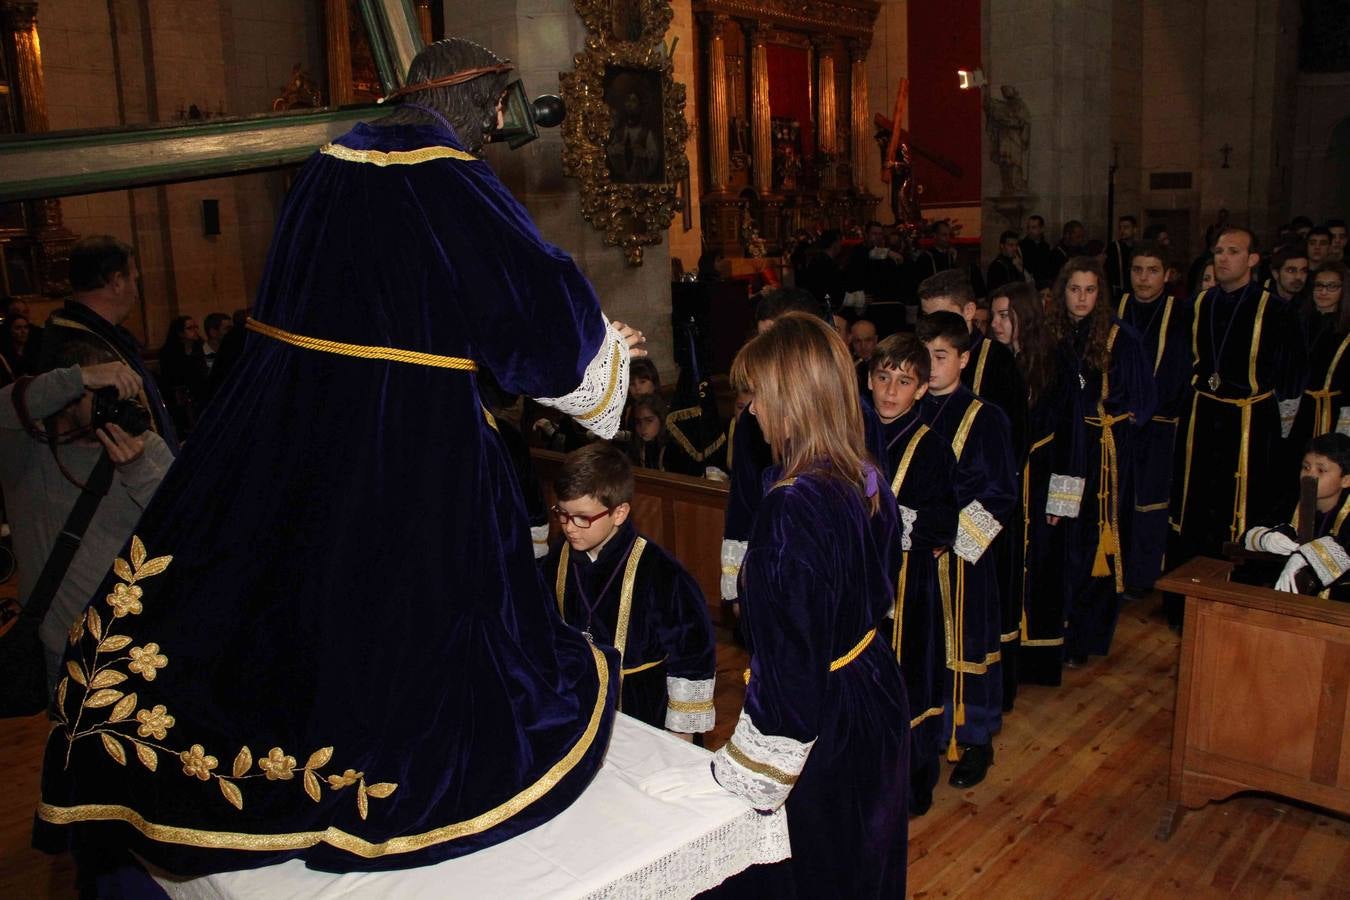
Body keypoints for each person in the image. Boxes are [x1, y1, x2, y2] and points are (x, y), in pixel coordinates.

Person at [35, 37, 647, 876]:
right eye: (498, 105)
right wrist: (605, 348)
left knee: (304, 596)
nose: (499, 123)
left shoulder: (329, 162)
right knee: (418, 607)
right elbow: (535, 318)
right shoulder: (454, 179)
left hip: (302, 431)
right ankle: (385, 772)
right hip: (412, 446)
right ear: (476, 100)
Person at [709, 311, 909, 896]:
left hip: (829, 720)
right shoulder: (861, 473)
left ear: (793, 399)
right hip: (872, 682)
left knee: (815, 872)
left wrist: (747, 780)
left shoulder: (790, 506)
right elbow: (883, 581)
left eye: (760, 395)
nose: (752, 411)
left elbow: (792, 671)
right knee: (866, 863)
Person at [0, 346, 172, 694]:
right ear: (67, 397)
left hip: (140, 644)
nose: (115, 405)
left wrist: (137, 470)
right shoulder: (25, 449)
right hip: (62, 649)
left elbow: (182, 521)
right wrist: (78, 378)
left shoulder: (146, 448)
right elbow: (7, 403)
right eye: (103, 392)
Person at [542, 443, 715, 736]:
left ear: (619, 513)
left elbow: (693, 652)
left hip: (642, 710)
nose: (569, 527)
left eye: (582, 518)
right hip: (576, 702)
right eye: (562, 514)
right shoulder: (558, 558)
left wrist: (680, 733)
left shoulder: (660, 571)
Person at [916, 311, 1016, 788]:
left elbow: (999, 493)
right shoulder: (907, 409)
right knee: (924, 646)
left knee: (965, 645)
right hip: (913, 555)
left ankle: (974, 738)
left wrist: (951, 541)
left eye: (941, 356)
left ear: (964, 358)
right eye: (925, 356)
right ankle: (924, 736)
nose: (931, 367)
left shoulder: (985, 417)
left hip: (961, 559)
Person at [1173, 227, 1302, 580]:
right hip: (1202, 415)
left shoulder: (1274, 310)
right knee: (1196, 505)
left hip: (1250, 420)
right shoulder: (1198, 305)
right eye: (1218, 251)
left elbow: (1290, 373)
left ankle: (1240, 590)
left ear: (1253, 259)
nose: (1223, 258)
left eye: (1233, 251)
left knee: (1244, 506)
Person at [1045, 257, 1156, 665]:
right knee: (1057, 537)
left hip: (1102, 455)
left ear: (1101, 294)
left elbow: (1144, 402)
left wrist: (1113, 430)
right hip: (1058, 448)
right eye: (1074, 289)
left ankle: (1086, 636)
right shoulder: (1052, 334)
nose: (1081, 298)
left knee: (1094, 544)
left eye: (1090, 290)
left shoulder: (1120, 337)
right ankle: (1052, 630)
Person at [865, 333, 956, 816]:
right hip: (862, 587)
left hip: (910, 588)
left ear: (921, 389)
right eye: (883, 378)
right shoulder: (853, 436)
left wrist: (888, 522)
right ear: (869, 378)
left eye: (903, 382)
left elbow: (944, 525)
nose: (890, 391)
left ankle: (911, 786)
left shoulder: (933, 448)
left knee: (909, 682)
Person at [988, 281, 1065, 685]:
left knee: (1043, 565)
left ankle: (1040, 657)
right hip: (1010, 480)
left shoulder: (1055, 360)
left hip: (1043, 476)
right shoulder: (995, 362)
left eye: (1006, 315)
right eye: (994, 315)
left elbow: (1071, 432)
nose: (997, 324)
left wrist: (1062, 500)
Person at [40, 236, 178, 451]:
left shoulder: (102, 334)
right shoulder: (76, 345)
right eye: (134, 280)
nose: (136, 293)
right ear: (117, 282)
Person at [1117, 243, 1192, 596]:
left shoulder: (1181, 312)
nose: (1143, 278)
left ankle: (1143, 577)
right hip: (1117, 423)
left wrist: (1149, 407)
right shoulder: (1117, 308)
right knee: (1116, 498)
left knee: (1148, 502)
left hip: (1159, 424)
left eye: (1152, 270)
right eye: (1137, 270)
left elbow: (1181, 368)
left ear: (1167, 274)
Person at [1241, 432, 1350, 600]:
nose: (1310, 475)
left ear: (1346, 480)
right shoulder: (1291, 501)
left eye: (1321, 470)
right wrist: (1266, 539)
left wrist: (1307, 557)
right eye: (1306, 467)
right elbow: (1249, 534)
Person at [1283, 261, 1350, 507]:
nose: (1323, 291)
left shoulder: (1345, 329)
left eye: (1332, 287)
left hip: (1333, 409)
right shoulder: (1302, 323)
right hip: (1303, 409)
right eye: (1319, 286)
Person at [156, 315, 208, 436]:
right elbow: (170, 379)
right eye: (190, 328)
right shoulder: (169, 352)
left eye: (196, 327)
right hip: (178, 398)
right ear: (180, 333)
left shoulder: (199, 348)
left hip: (199, 395)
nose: (195, 331)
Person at [1269, 242, 1310, 311]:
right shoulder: (1259, 302)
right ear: (1275, 274)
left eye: (1303, 271)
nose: (1299, 277)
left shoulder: (1311, 302)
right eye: (1291, 271)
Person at [0, 313, 37, 384]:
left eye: (26, 327)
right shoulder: (3, 356)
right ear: (9, 330)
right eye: (18, 328)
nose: (23, 331)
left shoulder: (34, 351)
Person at [1105, 215, 1137, 297]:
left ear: (1134, 229)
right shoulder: (1113, 247)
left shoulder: (1138, 247)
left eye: (1126, 227)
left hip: (1135, 289)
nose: (1122, 231)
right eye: (1120, 228)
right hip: (1118, 291)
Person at [986, 230, 1026, 295]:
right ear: (1002, 246)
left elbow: (1023, 288)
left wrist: (1020, 270)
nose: (1015, 248)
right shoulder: (996, 266)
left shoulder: (1016, 262)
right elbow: (997, 292)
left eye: (1016, 245)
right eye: (1011, 245)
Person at [1020, 215, 1053, 288]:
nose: (1030, 231)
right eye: (1028, 227)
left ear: (1042, 229)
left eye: (1034, 227)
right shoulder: (1022, 246)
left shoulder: (1046, 247)